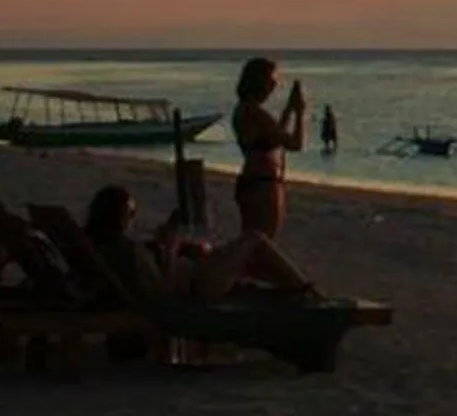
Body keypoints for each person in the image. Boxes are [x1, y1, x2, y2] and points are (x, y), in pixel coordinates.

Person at [82, 184, 318, 306]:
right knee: (254, 238)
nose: (133, 219)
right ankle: (305, 291)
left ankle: (294, 292)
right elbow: (164, 292)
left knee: (250, 256)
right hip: (197, 286)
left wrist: (164, 246)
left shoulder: (100, 245)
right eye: (131, 213)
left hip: (196, 274)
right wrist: (171, 248)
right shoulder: (126, 252)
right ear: (119, 216)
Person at [230, 56, 305, 240]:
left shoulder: (245, 111)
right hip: (262, 184)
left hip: (255, 181)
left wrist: (289, 109)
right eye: (270, 82)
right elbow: (294, 143)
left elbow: (275, 136)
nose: (272, 87)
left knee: (254, 240)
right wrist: (300, 113)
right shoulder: (254, 113)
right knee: (261, 242)